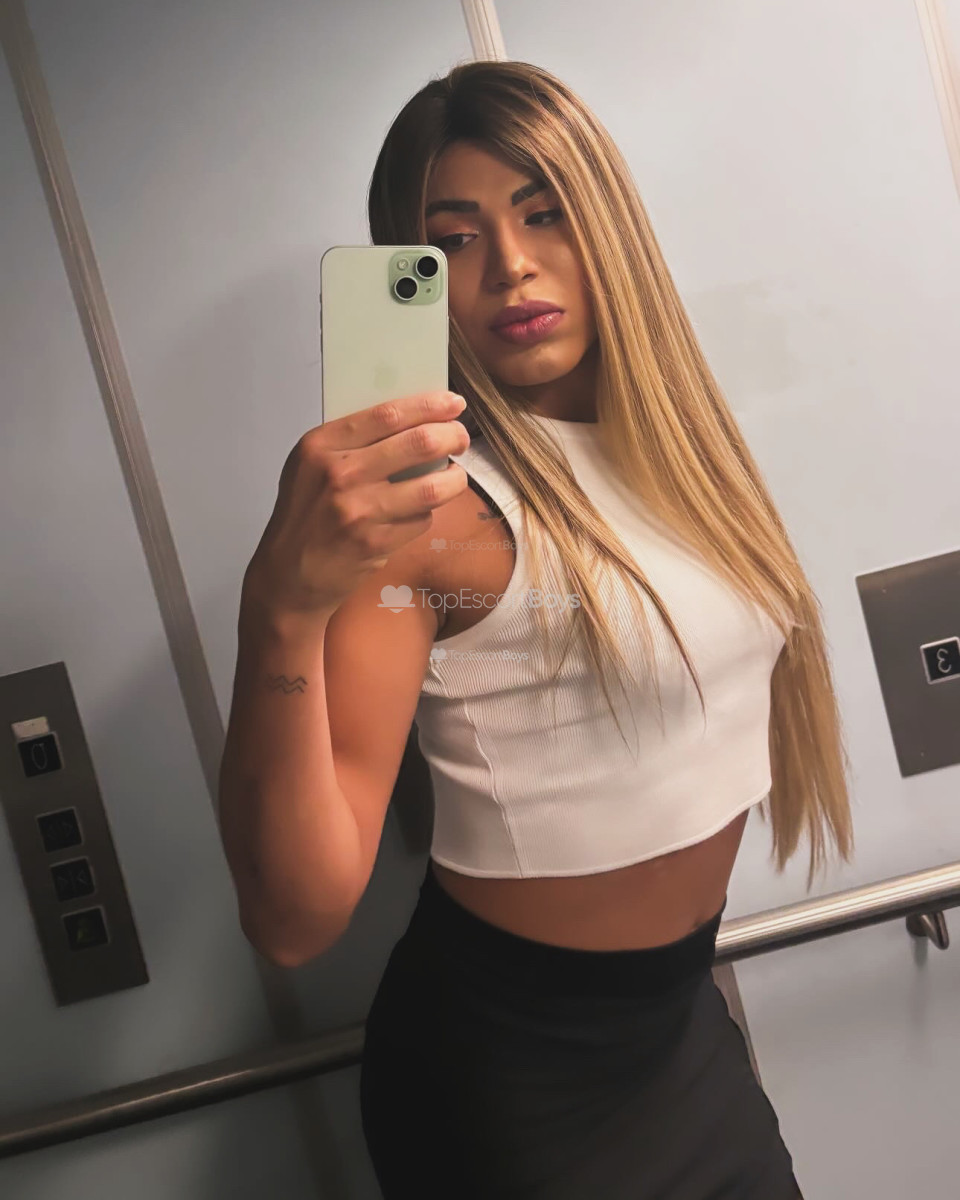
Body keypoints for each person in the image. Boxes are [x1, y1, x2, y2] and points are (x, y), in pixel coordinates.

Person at [218, 60, 855, 1199]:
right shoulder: (426, 517)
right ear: (414, 273)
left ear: (606, 223)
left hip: (679, 1024)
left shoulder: (681, 458)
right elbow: (294, 920)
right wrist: (280, 609)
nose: (509, 265)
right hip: (513, 1084)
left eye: (545, 213)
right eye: (453, 239)